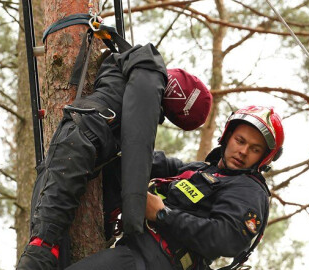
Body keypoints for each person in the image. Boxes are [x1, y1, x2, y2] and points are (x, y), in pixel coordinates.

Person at [16, 43, 213, 270]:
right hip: (81, 142)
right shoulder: (148, 74)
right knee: (43, 246)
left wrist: (191, 169)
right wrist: (133, 215)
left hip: (78, 142)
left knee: (47, 238)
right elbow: (138, 147)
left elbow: (149, 160)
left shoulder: (129, 70)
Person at [65, 105, 285, 270]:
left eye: (255, 149)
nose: (243, 151)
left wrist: (162, 214)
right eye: (240, 140)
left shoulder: (248, 189)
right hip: (134, 255)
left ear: (264, 159)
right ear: (227, 136)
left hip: (154, 262)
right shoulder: (199, 171)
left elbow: (226, 238)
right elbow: (152, 162)